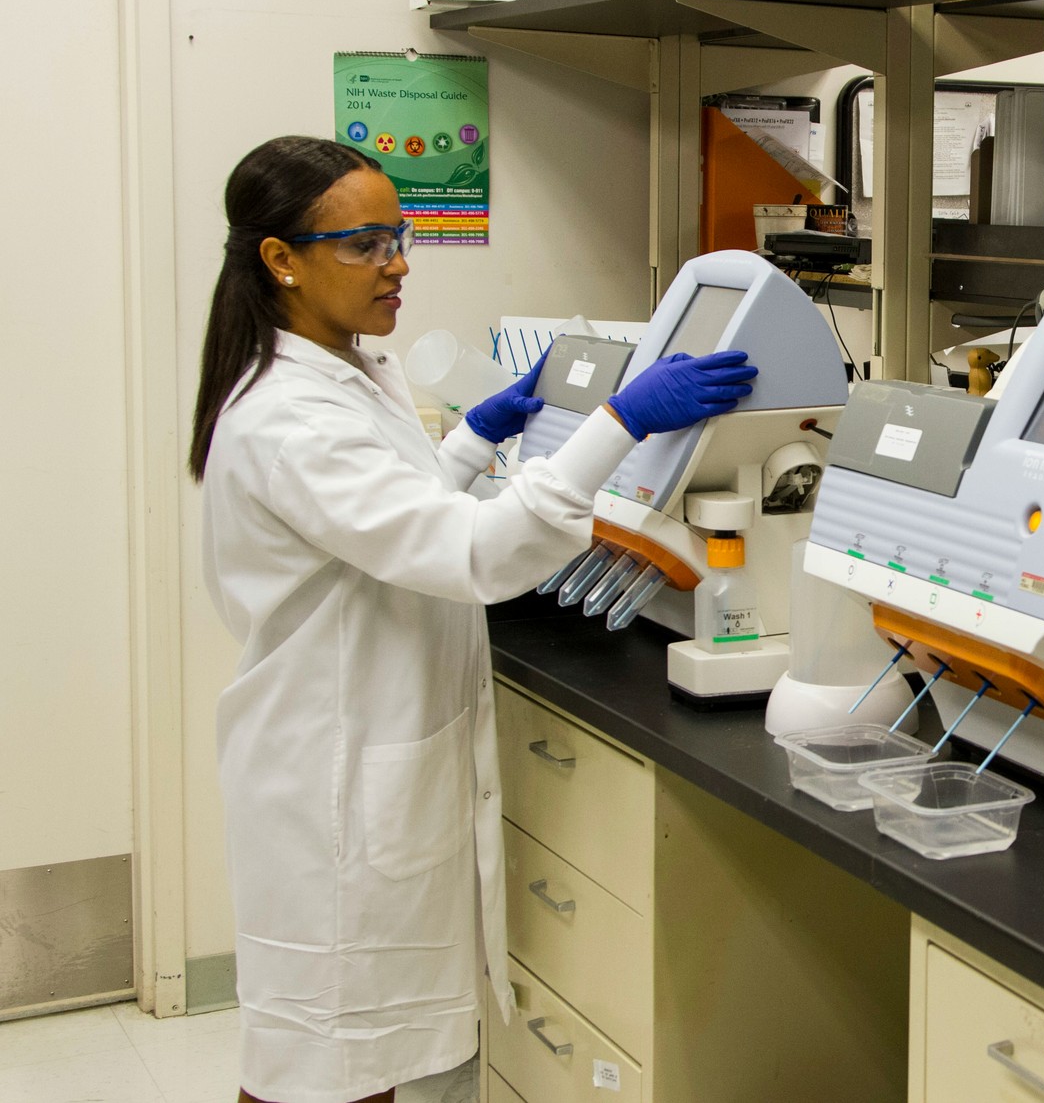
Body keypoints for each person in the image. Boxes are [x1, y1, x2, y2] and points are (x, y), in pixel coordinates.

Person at [190, 136, 756, 1103]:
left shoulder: (350, 370)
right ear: (281, 260)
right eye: (365, 244)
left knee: (356, 1053)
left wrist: (468, 440)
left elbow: (393, 519)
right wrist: (615, 423)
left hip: (363, 750)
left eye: (399, 236)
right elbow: (473, 556)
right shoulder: (289, 416)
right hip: (331, 777)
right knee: (323, 1065)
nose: (397, 262)